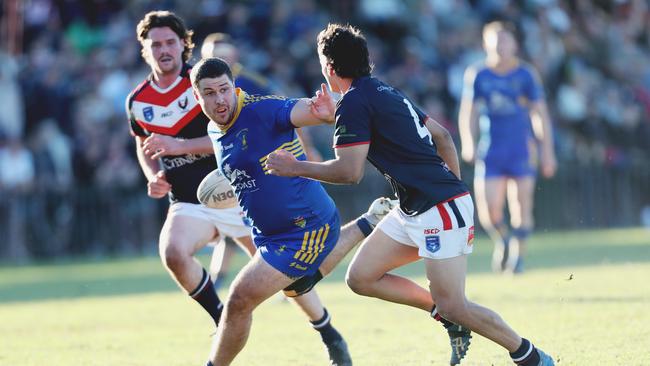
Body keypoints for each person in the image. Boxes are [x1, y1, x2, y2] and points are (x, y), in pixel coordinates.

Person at [265, 23, 554, 366]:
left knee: (456, 304)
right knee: (361, 278)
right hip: (416, 207)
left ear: (328, 67)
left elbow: (349, 171)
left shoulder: (356, 103)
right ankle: (443, 315)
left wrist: (295, 166)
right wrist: (453, 188)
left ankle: (530, 356)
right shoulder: (384, 91)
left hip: (439, 207)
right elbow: (443, 137)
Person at [190, 57, 468, 366]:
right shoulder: (215, 130)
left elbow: (301, 110)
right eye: (209, 93)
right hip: (270, 234)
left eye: (224, 89)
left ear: (234, 87)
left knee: (239, 300)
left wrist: (322, 112)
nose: (219, 99)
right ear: (196, 96)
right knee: (298, 286)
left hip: (304, 227)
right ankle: (372, 225)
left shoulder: (261, 110)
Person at [126, 11, 352, 365]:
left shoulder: (204, 79)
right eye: (155, 44)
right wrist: (151, 173)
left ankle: (325, 328)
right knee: (173, 252)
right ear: (144, 49)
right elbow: (145, 144)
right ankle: (222, 320)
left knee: (285, 278)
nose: (163, 49)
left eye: (170, 41)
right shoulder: (138, 101)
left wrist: (180, 146)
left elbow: (245, 125)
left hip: (238, 192)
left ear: (184, 45)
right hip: (191, 197)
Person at [200, 32, 322, 288]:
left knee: (249, 224)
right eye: (212, 56)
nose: (218, 60)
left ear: (235, 58)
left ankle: (280, 277)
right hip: (233, 163)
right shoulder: (201, 86)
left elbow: (288, 111)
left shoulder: (253, 83)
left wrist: (308, 148)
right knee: (235, 225)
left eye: (223, 55)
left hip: (264, 165)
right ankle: (229, 281)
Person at [458, 21, 557, 274]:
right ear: (485, 44)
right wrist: (469, 142)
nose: (501, 45)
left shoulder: (525, 75)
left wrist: (547, 151)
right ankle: (502, 239)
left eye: (505, 40)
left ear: (515, 44)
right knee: (489, 212)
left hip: (521, 149)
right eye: (496, 40)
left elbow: (540, 114)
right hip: (491, 150)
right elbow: (468, 112)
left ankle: (517, 257)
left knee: (521, 205)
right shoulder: (478, 74)